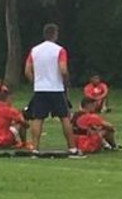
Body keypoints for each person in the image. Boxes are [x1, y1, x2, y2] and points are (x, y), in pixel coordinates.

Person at [25, 23, 80, 156]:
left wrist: (35, 81)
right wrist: (66, 81)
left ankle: (35, 148)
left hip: (40, 88)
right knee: (64, 117)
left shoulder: (34, 50)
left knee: (37, 118)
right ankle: (72, 147)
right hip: (56, 88)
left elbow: (27, 70)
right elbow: (63, 69)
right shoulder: (60, 50)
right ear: (55, 34)